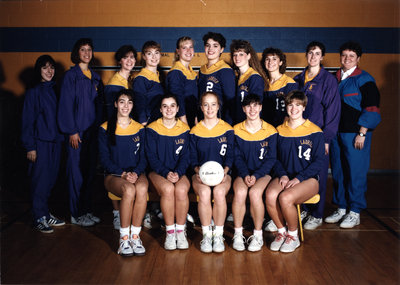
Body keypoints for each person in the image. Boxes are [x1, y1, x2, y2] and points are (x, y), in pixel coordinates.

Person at [326, 41, 381, 228]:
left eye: (351, 56)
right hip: (336, 134)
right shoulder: (333, 78)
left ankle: (355, 211)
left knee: (355, 173)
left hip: (355, 134)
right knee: (338, 172)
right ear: (340, 57)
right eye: (344, 55)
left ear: (358, 58)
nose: (347, 59)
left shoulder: (364, 79)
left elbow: (372, 108)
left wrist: (363, 133)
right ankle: (341, 207)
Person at [265, 90, 325, 253]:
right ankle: (281, 232)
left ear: (304, 107)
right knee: (270, 195)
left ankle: (293, 235)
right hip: (285, 175)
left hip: (308, 179)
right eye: (290, 105)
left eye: (298, 105)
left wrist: (299, 178)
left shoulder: (315, 131)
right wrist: (283, 174)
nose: (294, 109)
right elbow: (274, 158)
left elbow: (320, 161)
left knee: (285, 197)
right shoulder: (279, 130)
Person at [293, 41, 340, 230]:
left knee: (318, 174)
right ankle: (303, 207)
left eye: (317, 53)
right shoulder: (297, 79)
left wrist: (327, 138)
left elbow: (333, 111)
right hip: (297, 135)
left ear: (322, 57)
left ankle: (317, 214)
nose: (313, 56)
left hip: (318, 137)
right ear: (306, 55)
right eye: (310, 52)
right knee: (299, 172)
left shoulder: (328, 81)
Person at [58, 38, 102, 227]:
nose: (86, 53)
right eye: (83, 50)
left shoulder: (95, 77)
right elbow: (66, 105)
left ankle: (86, 210)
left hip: (92, 133)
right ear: (77, 53)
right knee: (75, 174)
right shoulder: (71, 76)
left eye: (89, 50)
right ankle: (76, 213)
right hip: (77, 134)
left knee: (89, 173)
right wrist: (72, 131)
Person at [98, 89, 148, 256]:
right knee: (129, 189)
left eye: (129, 102)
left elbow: (143, 158)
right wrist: (124, 174)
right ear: (115, 104)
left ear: (133, 105)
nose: (126, 105)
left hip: (136, 173)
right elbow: (104, 159)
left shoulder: (139, 128)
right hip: (114, 176)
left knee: (140, 189)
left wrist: (136, 172)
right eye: (122, 101)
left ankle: (135, 236)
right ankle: (124, 239)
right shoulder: (105, 128)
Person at [21, 55, 65, 233]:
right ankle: (38, 216)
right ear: (38, 70)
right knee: (40, 181)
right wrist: (30, 146)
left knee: (51, 180)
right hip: (40, 143)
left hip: (56, 142)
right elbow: (27, 121)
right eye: (45, 68)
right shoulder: (34, 92)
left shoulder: (55, 89)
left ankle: (45, 213)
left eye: (52, 68)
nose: (49, 71)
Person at [232, 94, 277, 252]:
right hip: (243, 173)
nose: (252, 109)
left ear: (261, 107)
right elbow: (236, 156)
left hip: (263, 174)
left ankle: (258, 235)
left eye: (255, 105)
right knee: (240, 192)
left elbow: (271, 159)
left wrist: (256, 175)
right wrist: (245, 174)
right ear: (244, 109)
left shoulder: (270, 130)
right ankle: (238, 234)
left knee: (256, 193)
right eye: (248, 106)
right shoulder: (236, 130)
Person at [190, 91, 234, 253]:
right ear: (201, 107)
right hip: (200, 175)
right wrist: (197, 171)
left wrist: (225, 171)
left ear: (218, 106)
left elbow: (230, 155)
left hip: (222, 174)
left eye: (213, 104)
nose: (210, 108)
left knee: (220, 193)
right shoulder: (195, 131)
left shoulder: (227, 129)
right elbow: (192, 157)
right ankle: (207, 235)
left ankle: (219, 235)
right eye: (206, 105)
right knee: (204, 193)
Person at [146, 94, 191, 250]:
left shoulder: (184, 129)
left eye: (173, 105)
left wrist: (178, 172)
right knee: (167, 189)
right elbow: (151, 157)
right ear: (160, 109)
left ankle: (180, 231)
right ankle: (170, 232)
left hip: (178, 172)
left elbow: (186, 156)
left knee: (182, 188)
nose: (169, 109)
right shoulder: (152, 129)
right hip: (157, 173)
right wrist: (166, 173)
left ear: (178, 109)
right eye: (165, 106)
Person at [104, 44, 138, 230]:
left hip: (128, 128)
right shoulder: (115, 83)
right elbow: (111, 112)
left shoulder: (129, 81)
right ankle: (116, 213)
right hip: (115, 129)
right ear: (120, 61)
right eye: (126, 57)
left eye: (132, 57)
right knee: (115, 167)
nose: (130, 60)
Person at [198, 32, 235, 125]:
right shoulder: (202, 70)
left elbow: (230, 102)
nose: (210, 49)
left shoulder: (225, 70)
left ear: (221, 49)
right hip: (203, 120)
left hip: (219, 121)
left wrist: (227, 124)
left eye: (215, 46)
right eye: (208, 45)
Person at [230, 40, 266, 124]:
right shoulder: (236, 77)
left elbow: (256, 107)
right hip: (237, 123)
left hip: (249, 125)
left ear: (249, 56)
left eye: (241, 54)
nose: (237, 58)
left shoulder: (254, 78)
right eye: (235, 55)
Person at [261, 47, 298, 128]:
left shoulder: (289, 83)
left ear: (280, 62)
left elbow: (293, 111)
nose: (270, 62)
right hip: (265, 128)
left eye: (274, 59)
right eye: (267, 59)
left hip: (282, 128)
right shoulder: (262, 83)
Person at [166, 36, 198, 128]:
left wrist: (195, 120)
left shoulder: (191, 72)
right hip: (181, 122)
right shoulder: (176, 72)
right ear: (178, 51)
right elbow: (177, 100)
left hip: (191, 118)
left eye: (190, 47)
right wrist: (184, 123)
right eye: (184, 48)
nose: (188, 50)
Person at [132, 40, 164, 126]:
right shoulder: (141, 78)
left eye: (156, 53)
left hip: (159, 122)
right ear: (144, 56)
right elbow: (140, 104)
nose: (154, 57)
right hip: (148, 124)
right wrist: (144, 123)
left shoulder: (159, 77)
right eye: (149, 54)